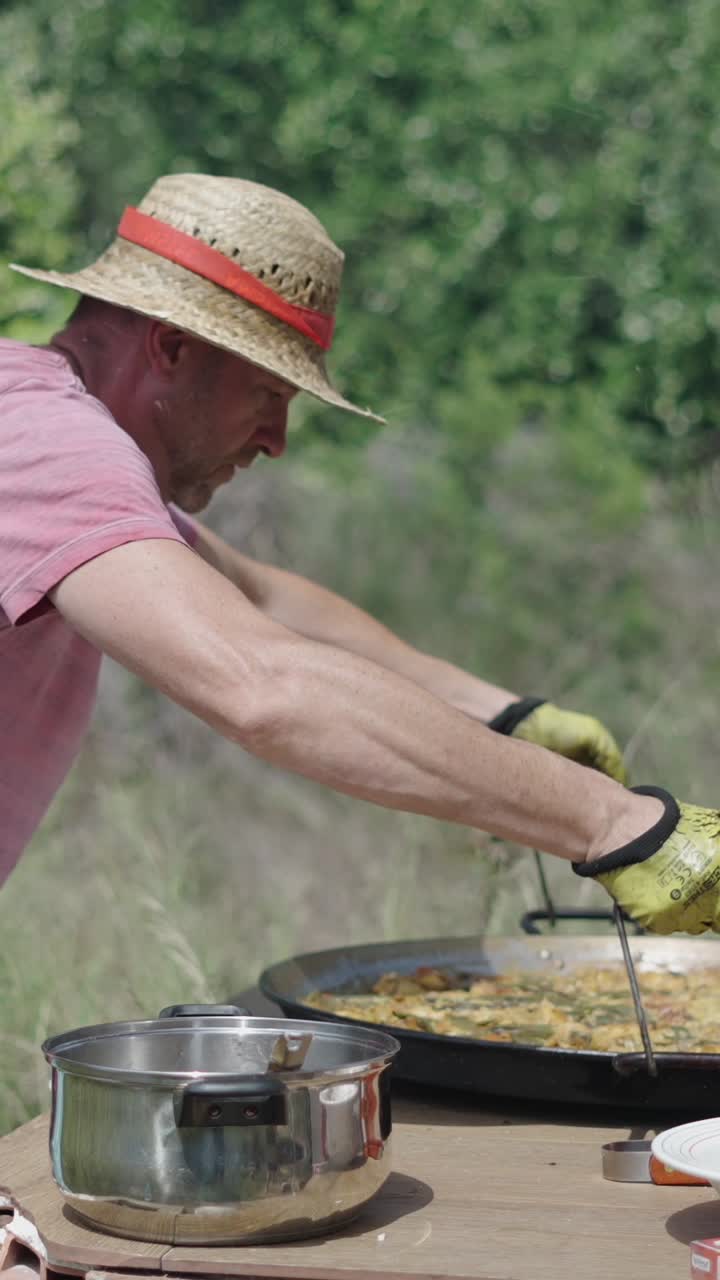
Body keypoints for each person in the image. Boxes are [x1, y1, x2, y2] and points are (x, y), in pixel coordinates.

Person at [2, 172, 718, 936]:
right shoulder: (52, 445)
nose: (275, 441)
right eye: (268, 395)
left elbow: (262, 599)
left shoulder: (44, 435)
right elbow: (261, 683)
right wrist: (619, 826)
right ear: (172, 347)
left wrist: (506, 716)